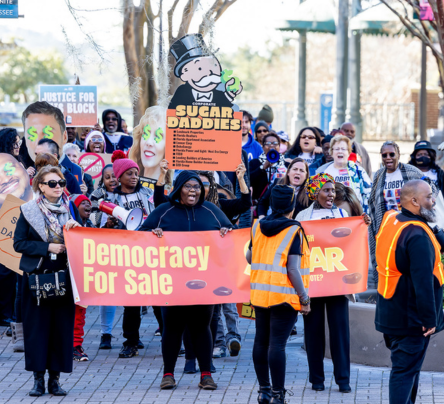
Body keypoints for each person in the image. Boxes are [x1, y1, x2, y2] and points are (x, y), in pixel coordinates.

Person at [140, 171, 233, 390]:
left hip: (204, 282)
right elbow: (140, 235)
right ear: (179, 188)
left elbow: (233, 237)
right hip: (172, 283)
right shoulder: (164, 211)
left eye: (198, 187)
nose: (194, 190)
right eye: (189, 186)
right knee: (172, 328)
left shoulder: (212, 211)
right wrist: (153, 234)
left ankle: (206, 375)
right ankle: (168, 374)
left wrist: (227, 231)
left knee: (202, 328)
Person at [296, 173, 371, 393]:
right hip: (314, 284)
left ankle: (343, 380)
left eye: (333, 190)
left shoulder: (340, 213)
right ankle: (317, 379)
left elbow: (352, 241)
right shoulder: (302, 216)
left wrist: (362, 224)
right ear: (315, 192)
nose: (332, 194)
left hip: (338, 285)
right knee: (313, 333)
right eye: (327, 190)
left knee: (340, 333)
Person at [13, 165, 82, 397]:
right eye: (52, 183)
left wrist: (75, 229)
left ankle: (55, 380)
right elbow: (19, 244)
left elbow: (79, 241)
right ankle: (38, 381)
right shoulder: (28, 210)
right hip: (37, 277)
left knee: (61, 329)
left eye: (61, 183)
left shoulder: (67, 209)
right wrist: (47, 247)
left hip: (63, 275)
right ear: (40, 186)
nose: (58, 187)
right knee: (37, 330)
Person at [375, 180, 444, 404]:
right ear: (414, 201)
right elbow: (422, 283)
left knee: (408, 370)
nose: (433, 201)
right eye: (428, 197)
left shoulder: (392, 219)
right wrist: (429, 319)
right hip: (412, 319)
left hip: (390, 311)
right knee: (404, 373)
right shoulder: (417, 236)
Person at [247, 185, 310, 404]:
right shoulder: (294, 230)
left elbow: (249, 256)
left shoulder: (257, 226)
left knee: (261, 343)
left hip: (261, 295)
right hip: (284, 298)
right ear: (291, 206)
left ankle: (264, 392)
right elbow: (293, 269)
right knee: (277, 346)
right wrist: (304, 298)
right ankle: (278, 395)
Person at [107, 152, 154, 358]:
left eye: (136, 173)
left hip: (150, 251)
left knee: (159, 300)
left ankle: (171, 338)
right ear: (119, 177)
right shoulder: (110, 198)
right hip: (126, 254)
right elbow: (98, 222)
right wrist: (108, 223)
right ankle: (130, 342)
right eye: (129, 173)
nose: (134, 177)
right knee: (132, 302)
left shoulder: (147, 194)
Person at [368, 141, 425, 283]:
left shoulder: (411, 171)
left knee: (408, 259)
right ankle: (389, 294)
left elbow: (430, 188)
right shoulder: (379, 175)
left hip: (408, 225)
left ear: (398, 154)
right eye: (384, 155)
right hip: (387, 227)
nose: (388, 158)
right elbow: (372, 201)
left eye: (392, 154)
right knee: (388, 262)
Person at [168, 34, 242, 110]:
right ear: (185, 74)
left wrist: (230, 93)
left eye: (214, 65)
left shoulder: (219, 93)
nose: (210, 72)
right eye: (200, 68)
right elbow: (172, 113)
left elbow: (227, 110)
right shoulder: (182, 92)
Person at [89, 165, 118, 349]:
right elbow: (90, 219)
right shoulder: (96, 196)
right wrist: (105, 223)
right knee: (108, 293)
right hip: (106, 250)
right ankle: (105, 333)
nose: (112, 180)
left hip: (129, 247)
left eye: (115, 176)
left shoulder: (131, 192)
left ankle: (134, 335)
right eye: (108, 177)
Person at [316, 135, 372, 213]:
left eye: (343, 149)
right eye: (337, 149)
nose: (340, 151)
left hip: (355, 216)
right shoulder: (323, 172)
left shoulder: (358, 171)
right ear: (331, 152)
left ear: (349, 152)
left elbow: (368, 195)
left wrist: (366, 215)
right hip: (331, 216)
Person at [70, 194, 93, 362]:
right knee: (74, 313)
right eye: (82, 203)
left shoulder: (91, 225)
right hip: (71, 276)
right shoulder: (70, 226)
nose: (87, 206)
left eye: (89, 203)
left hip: (85, 276)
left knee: (81, 313)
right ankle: (72, 346)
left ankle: (76, 345)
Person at [129, 106, 173, 188]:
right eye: (146, 133)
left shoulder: (173, 193)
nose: (149, 142)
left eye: (158, 136)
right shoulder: (125, 184)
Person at [250, 133, 286, 207]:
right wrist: (263, 167)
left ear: (279, 146)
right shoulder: (255, 163)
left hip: (280, 204)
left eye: (275, 143)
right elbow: (248, 180)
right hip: (259, 205)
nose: (271, 146)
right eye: (268, 143)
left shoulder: (286, 164)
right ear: (263, 147)